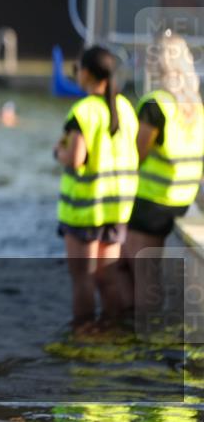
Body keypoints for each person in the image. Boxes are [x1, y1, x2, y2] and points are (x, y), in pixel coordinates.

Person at [53, 46, 138, 330]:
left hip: (85, 211)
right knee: (109, 277)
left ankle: (84, 336)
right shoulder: (126, 108)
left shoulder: (84, 110)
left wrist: (58, 153)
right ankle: (113, 333)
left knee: (83, 279)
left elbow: (76, 159)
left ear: (86, 73)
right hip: (117, 209)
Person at [122, 32, 203, 309]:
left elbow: (136, 154)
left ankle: (143, 331)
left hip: (151, 201)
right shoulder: (196, 107)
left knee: (143, 272)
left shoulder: (156, 104)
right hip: (182, 199)